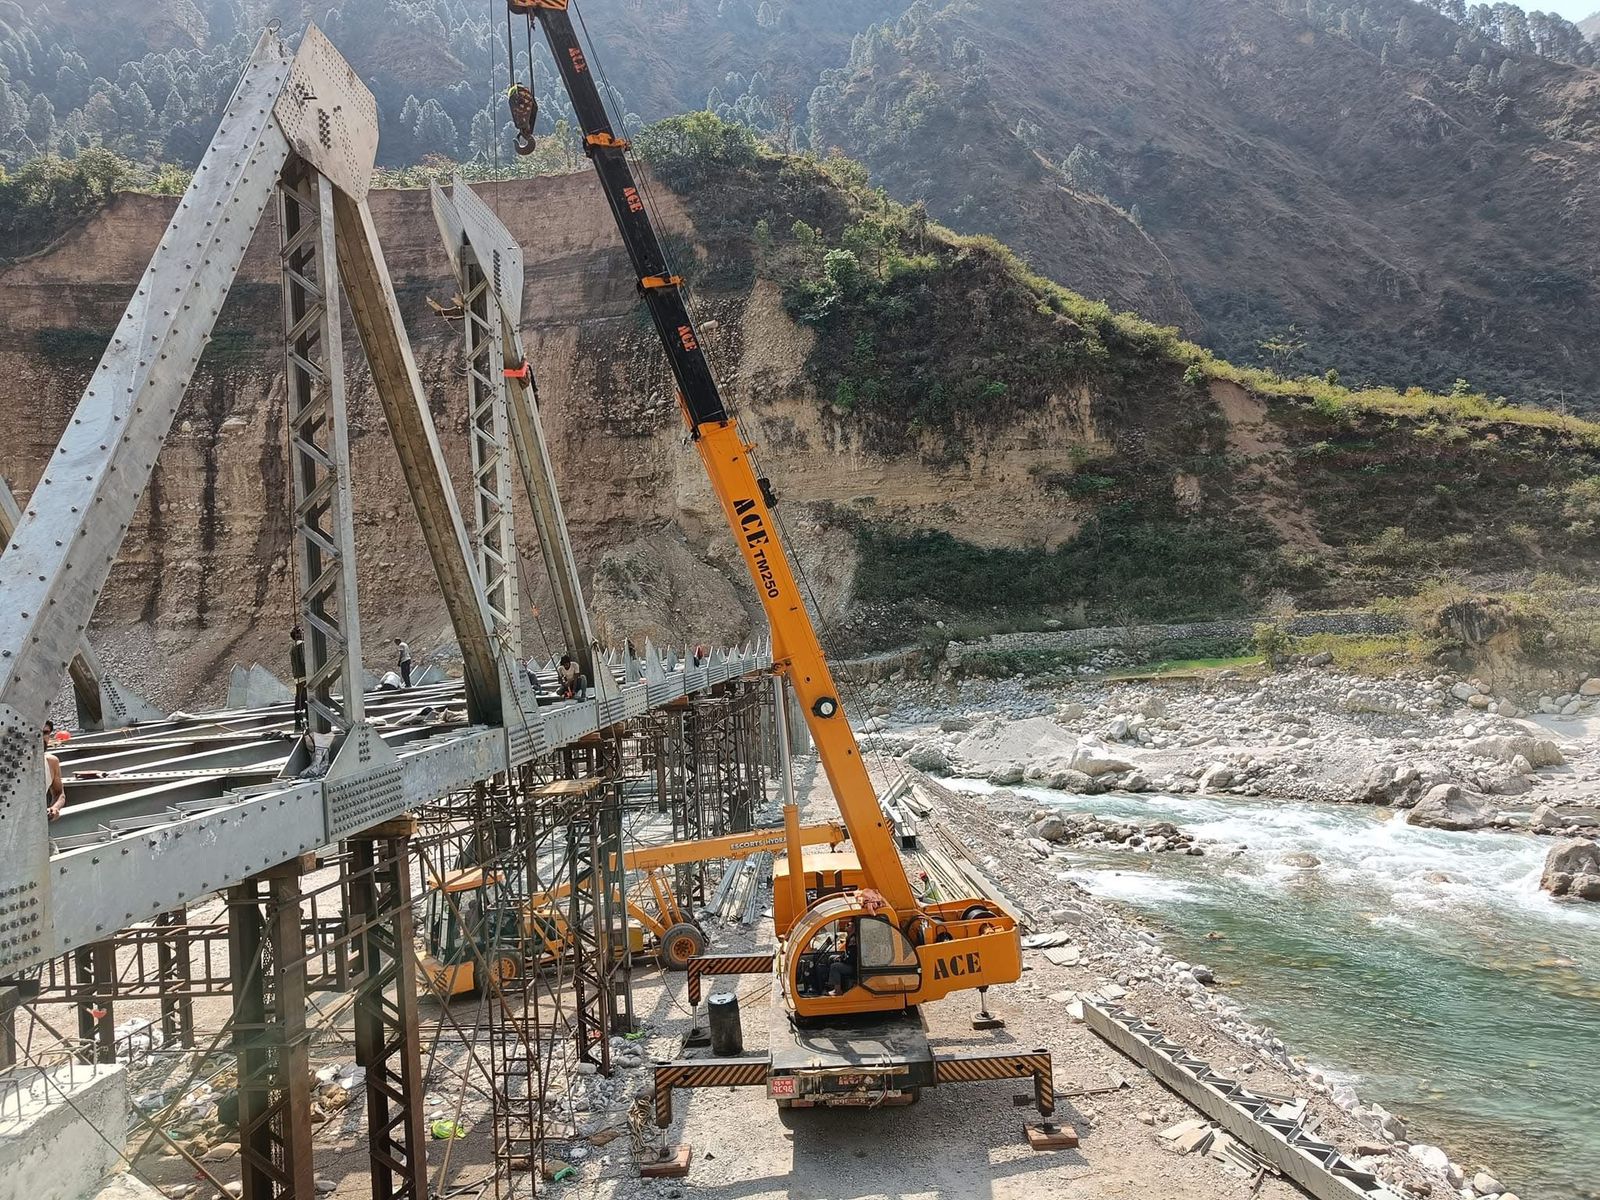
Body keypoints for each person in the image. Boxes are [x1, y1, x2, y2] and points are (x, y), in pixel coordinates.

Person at [43, 725, 65, 822]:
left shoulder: (51, 762)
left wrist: (55, 808)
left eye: (45, 733)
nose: (40, 737)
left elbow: (59, 793)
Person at [289, 626, 308, 731]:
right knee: (307, 700)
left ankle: (298, 723)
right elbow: (304, 660)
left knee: (299, 700)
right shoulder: (301, 646)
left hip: (297, 677)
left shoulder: (292, 648)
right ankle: (309, 721)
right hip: (305, 677)